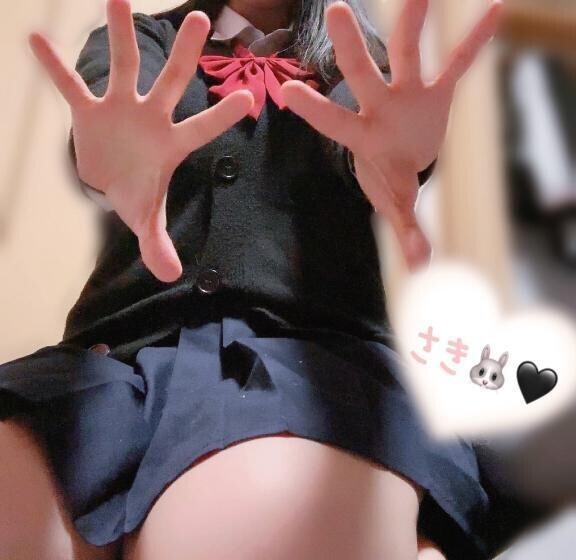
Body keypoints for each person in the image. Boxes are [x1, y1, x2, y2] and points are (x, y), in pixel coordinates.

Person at [0, 0, 522, 559]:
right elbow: (114, 115)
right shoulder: (138, 40)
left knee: (271, 519)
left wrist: (390, 156)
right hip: (117, 362)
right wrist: (112, 156)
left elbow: (370, 125)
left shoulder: (358, 60)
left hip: (308, 361)